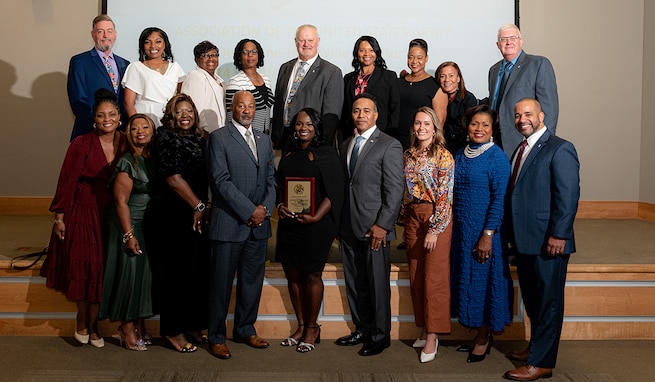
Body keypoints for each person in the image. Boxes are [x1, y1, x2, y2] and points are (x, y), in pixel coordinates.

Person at [40, 88, 126, 348]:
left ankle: (96, 324)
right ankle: (82, 320)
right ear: (94, 119)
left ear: (120, 117)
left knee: (101, 269)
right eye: (101, 115)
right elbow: (67, 181)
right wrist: (60, 217)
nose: (107, 119)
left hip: (113, 212)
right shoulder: (81, 143)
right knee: (83, 267)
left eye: (112, 114)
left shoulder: (126, 141)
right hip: (83, 210)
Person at [503, 98, 579, 381]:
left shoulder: (560, 148)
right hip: (525, 242)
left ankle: (542, 363)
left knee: (548, 302)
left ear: (541, 115)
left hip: (550, 241)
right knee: (534, 301)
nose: (522, 118)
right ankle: (536, 348)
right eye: (517, 114)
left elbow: (567, 196)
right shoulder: (520, 149)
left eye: (528, 113)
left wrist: (559, 234)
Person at [205, 90, 276, 360]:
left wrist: (265, 210)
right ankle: (216, 337)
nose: (247, 110)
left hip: (257, 228)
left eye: (251, 106)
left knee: (251, 282)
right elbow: (220, 181)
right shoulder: (219, 138)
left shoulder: (264, 140)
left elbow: (271, 179)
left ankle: (245, 329)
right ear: (231, 108)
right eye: (241, 106)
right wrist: (250, 211)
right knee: (220, 286)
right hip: (229, 224)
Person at [336, 93, 404, 357]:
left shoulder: (389, 145)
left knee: (377, 284)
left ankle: (380, 336)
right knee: (355, 283)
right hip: (349, 226)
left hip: (375, 228)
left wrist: (383, 226)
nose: (361, 115)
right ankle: (362, 329)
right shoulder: (345, 145)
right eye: (356, 110)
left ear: (376, 115)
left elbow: (395, 190)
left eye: (366, 110)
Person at [276, 108, 345, 353]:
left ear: (316, 127)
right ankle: (301, 325)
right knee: (292, 275)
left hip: (317, 224)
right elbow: (279, 184)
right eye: (298, 123)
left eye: (307, 124)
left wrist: (316, 216)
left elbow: (335, 190)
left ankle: (313, 328)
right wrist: (280, 205)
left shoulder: (326, 153)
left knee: (311, 275)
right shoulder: (290, 150)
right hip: (290, 223)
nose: (302, 127)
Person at [144, 94, 209, 353]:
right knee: (174, 275)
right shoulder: (165, 137)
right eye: (179, 111)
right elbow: (172, 178)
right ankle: (171, 330)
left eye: (189, 111)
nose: (185, 116)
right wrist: (198, 205)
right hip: (171, 213)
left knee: (195, 272)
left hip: (196, 213)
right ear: (171, 115)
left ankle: (192, 323)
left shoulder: (200, 138)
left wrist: (201, 208)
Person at [450, 105, 512, 363]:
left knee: (486, 282)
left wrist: (488, 234)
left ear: (493, 129)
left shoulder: (497, 158)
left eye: (485, 125)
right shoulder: (460, 154)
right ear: (467, 126)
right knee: (468, 278)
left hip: (485, 232)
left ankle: (484, 336)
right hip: (462, 231)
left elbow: (499, 200)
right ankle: (476, 329)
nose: (479, 129)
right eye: (475, 124)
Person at [401, 106, 454, 363]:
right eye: (417, 123)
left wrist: (434, 229)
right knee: (416, 274)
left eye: (426, 124)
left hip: (436, 218)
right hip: (412, 217)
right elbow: (406, 190)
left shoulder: (444, 156)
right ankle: (424, 326)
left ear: (435, 127)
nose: (421, 128)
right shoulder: (408, 154)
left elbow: (445, 198)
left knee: (434, 277)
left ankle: (434, 335)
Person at [99, 113, 156, 351]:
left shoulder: (152, 158)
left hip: (147, 224)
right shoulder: (127, 162)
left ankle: (139, 325)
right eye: (134, 128)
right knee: (130, 277)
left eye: (145, 127)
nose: (140, 131)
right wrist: (129, 235)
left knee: (144, 278)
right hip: (128, 224)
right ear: (128, 134)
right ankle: (125, 327)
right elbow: (120, 201)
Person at [487, 24, 558, 158]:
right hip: (495, 143)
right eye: (504, 39)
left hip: (524, 141)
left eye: (513, 38)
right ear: (498, 44)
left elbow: (549, 109)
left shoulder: (538, 64)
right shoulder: (494, 70)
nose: (508, 42)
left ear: (521, 41)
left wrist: (545, 144)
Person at [272, 24, 344, 150]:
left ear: (318, 41)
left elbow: (331, 117)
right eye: (302, 40)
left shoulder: (331, 72)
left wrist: (321, 147)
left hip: (314, 145)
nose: (306, 44)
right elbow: (279, 105)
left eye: (310, 40)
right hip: (286, 141)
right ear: (295, 42)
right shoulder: (285, 68)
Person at [67, 15, 129, 141]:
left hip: (119, 136)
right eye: (100, 31)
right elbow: (78, 100)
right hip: (89, 134)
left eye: (109, 31)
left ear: (115, 34)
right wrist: (99, 127)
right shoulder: (80, 61)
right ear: (93, 34)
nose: (105, 35)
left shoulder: (125, 64)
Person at [340, 36, 400, 143]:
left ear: (377, 53)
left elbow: (394, 109)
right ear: (356, 54)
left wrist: (390, 136)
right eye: (362, 50)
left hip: (380, 135)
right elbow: (345, 110)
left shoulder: (388, 77)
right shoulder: (348, 79)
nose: (367, 54)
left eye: (371, 50)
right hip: (352, 135)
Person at [122, 27, 184, 126]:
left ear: (165, 44)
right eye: (148, 42)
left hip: (169, 120)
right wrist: (137, 124)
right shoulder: (136, 67)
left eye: (158, 41)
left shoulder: (175, 67)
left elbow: (181, 98)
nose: (153, 46)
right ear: (142, 46)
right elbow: (128, 103)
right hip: (144, 118)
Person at [396, 38, 447, 150]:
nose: (414, 61)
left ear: (426, 58)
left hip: (420, 143)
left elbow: (439, 123)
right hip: (395, 141)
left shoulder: (435, 86)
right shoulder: (398, 82)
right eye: (411, 57)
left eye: (419, 58)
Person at [225, 39, 274, 134]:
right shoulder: (235, 82)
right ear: (239, 57)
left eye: (254, 51)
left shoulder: (266, 80)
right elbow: (231, 115)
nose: (250, 55)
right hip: (245, 136)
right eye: (245, 52)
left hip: (265, 135)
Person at [180, 40, 226, 133]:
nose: (210, 59)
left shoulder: (219, 80)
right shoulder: (195, 76)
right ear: (196, 59)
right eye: (205, 56)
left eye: (214, 55)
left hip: (219, 133)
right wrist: (203, 132)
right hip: (205, 134)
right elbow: (196, 109)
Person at [436, 61, 478, 155]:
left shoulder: (468, 99)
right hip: (442, 147)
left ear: (458, 78)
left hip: (462, 149)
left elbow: (472, 128)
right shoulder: (438, 98)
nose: (447, 80)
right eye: (443, 76)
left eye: (451, 75)